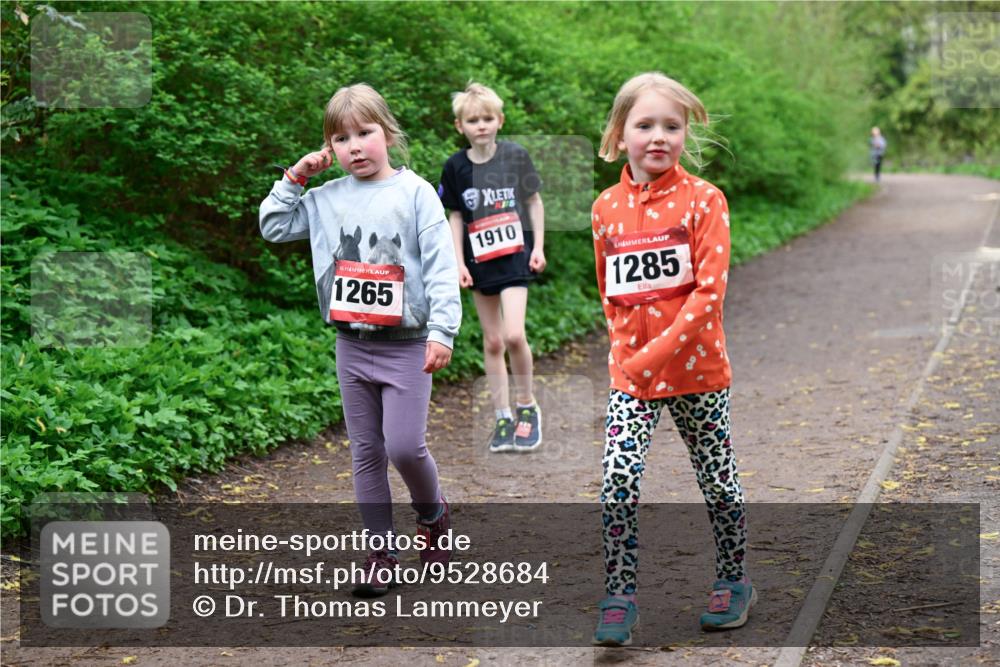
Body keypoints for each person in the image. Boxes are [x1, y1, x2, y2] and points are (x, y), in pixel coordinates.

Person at [259, 83, 461, 596]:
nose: (354, 146)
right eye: (341, 138)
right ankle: (381, 552)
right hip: (352, 345)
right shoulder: (326, 198)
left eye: (364, 133)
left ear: (387, 134)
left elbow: (440, 267)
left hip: (410, 343)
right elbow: (274, 226)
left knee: (405, 447)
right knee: (366, 452)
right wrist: (296, 176)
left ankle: (433, 516)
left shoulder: (415, 193)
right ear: (330, 147)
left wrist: (443, 331)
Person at [590, 72, 754, 646]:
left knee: (716, 476)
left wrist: (652, 355)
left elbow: (708, 296)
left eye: (671, 126)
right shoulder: (605, 207)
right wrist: (624, 355)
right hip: (629, 377)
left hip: (697, 372)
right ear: (619, 134)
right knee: (617, 476)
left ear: (687, 133)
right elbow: (610, 293)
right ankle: (619, 594)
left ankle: (734, 580)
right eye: (644, 125)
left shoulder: (705, 201)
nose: (658, 136)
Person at [438, 82, 546, 453]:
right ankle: (502, 416)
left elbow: (534, 201)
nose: (481, 125)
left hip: (516, 257)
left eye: (487, 118)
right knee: (493, 340)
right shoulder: (455, 167)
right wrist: (457, 263)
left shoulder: (515, 156)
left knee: (515, 335)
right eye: (473, 120)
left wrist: (540, 247)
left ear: (499, 120)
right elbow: (454, 216)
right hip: (479, 262)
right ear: (460, 126)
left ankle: (527, 408)